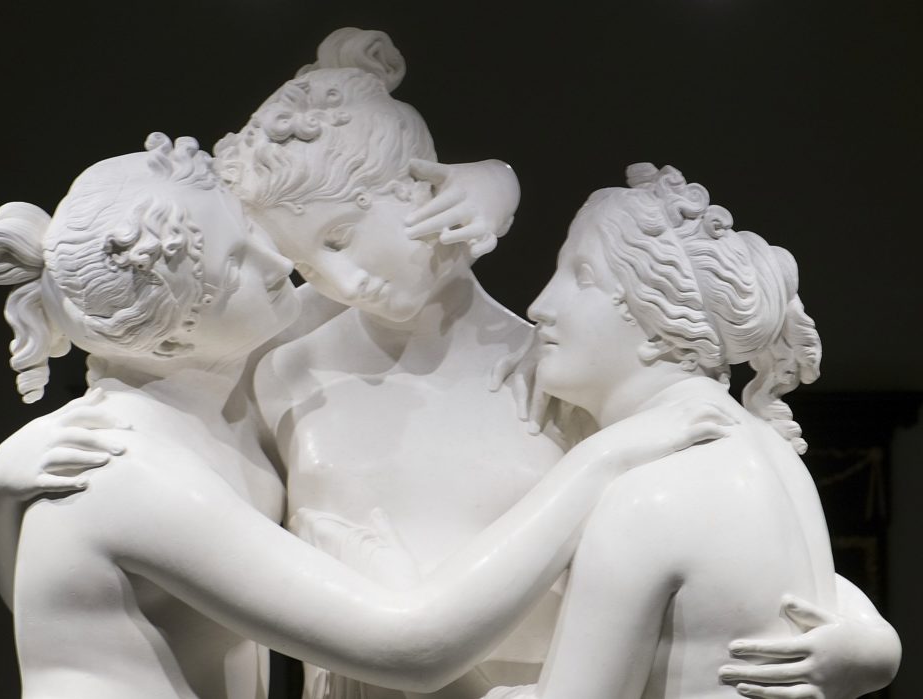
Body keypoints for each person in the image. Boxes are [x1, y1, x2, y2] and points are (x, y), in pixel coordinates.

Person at [213, 29, 900, 699]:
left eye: (341, 238)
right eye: (304, 263)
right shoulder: (284, 371)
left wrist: (866, 636)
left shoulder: (552, 371)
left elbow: (712, 538)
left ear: (422, 188)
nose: (343, 280)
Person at [0, 134, 726, 699]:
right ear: (172, 337)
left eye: (251, 233)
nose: (281, 264)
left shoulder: (207, 389)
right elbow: (413, 647)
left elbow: (389, 278)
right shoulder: (124, 468)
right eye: (238, 263)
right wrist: (603, 459)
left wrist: (493, 182)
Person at [479, 163, 901, 699]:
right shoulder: (769, 452)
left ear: (659, 323)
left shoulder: (651, 491)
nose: (539, 306)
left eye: (582, 276)